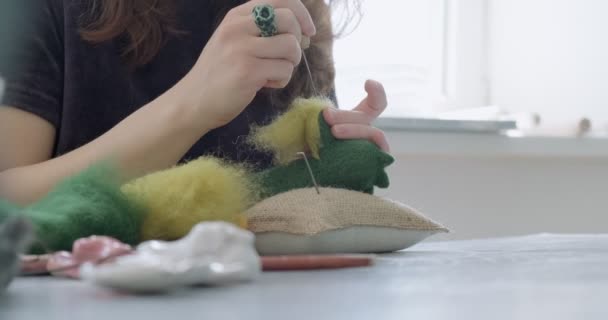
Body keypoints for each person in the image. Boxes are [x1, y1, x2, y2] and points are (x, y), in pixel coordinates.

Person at [0, 0, 390, 206]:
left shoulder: (292, 12)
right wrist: (192, 105)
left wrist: (335, 150)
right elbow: (8, 199)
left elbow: (287, 205)